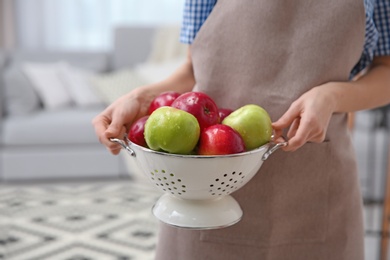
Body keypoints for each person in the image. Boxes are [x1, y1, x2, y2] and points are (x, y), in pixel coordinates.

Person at [93, 0, 390, 259]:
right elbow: (193, 70)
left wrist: (331, 96)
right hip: (206, 191)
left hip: (313, 188)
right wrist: (141, 98)